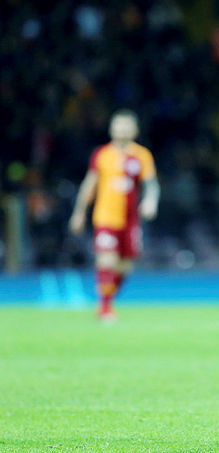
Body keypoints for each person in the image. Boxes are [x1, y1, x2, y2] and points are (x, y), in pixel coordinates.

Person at [69, 110, 160, 321]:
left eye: (127, 125)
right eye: (118, 125)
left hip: (130, 220)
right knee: (107, 260)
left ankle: (107, 300)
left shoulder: (142, 155)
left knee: (125, 266)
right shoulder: (101, 154)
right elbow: (90, 184)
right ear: (111, 128)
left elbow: (152, 185)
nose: (122, 129)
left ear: (135, 130)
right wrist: (79, 212)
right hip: (106, 217)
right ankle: (105, 308)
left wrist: (150, 201)